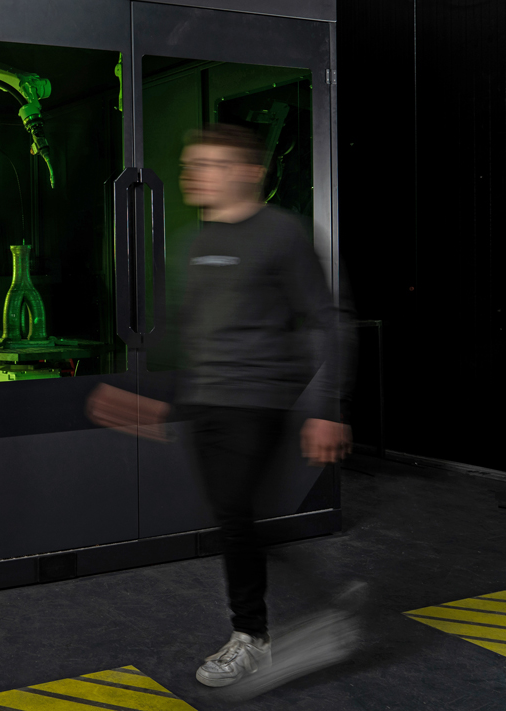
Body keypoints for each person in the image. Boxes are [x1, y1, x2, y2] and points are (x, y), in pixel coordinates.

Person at [86, 123, 354, 692]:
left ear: (249, 172)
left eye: (210, 164)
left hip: (257, 401)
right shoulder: (194, 241)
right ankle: (305, 615)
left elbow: (327, 320)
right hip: (206, 401)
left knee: (234, 513)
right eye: (192, 164)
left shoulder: (281, 233)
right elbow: (196, 339)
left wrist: (328, 409)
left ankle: (251, 638)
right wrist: (161, 409)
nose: (194, 174)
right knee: (234, 518)